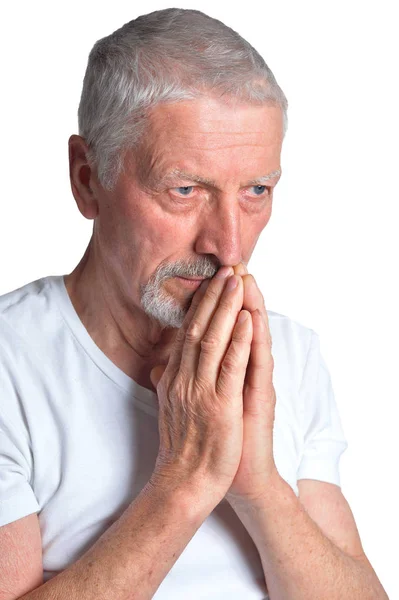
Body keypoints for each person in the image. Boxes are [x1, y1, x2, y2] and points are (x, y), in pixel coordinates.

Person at [0, 8, 388, 600]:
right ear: (86, 178)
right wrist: (187, 479)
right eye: (185, 190)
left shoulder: (292, 352)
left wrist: (259, 486)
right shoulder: (11, 363)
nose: (228, 245)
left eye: (256, 190)